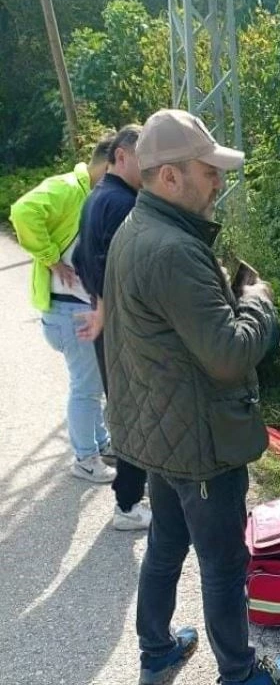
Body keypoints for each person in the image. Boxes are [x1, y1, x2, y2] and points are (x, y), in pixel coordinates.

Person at [103, 108, 280, 685]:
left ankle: (156, 649)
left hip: (159, 430)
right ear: (169, 178)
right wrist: (258, 303)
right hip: (198, 440)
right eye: (207, 170)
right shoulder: (176, 251)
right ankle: (238, 675)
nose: (218, 180)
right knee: (222, 559)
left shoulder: (135, 229)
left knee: (165, 542)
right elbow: (228, 356)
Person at [9, 138, 116, 484]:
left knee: (93, 384)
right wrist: (52, 257)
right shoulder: (69, 187)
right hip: (69, 312)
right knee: (85, 389)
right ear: (111, 161)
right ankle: (85, 459)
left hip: (75, 309)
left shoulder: (91, 193)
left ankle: (98, 443)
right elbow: (23, 211)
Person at [72, 124, 151, 531]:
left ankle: (135, 494)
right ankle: (128, 504)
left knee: (128, 410)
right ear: (122, 155)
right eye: (144, 158)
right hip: (122, 328)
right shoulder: (122, 204)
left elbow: (83, 260)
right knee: (135, 414)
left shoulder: (98, 196)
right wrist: (105, 310)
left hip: (109, 325)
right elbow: (110, 268)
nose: (150, 168)